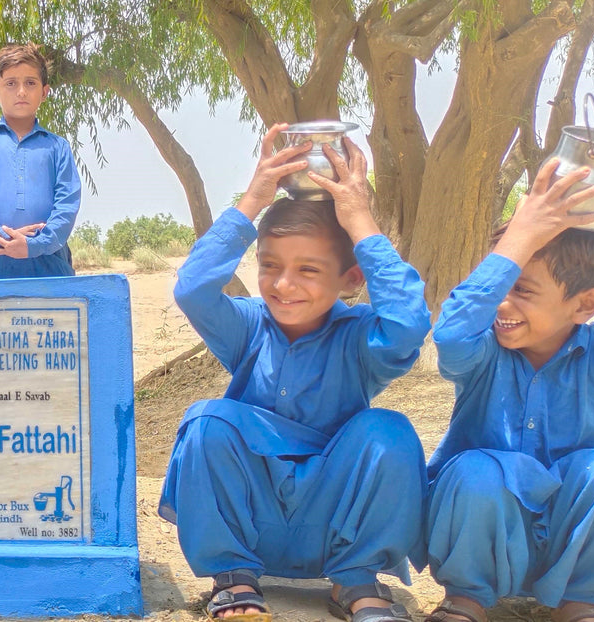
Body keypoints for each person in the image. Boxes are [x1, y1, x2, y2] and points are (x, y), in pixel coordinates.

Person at [158, 124, 431, 622]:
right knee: (206, 421)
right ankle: (235, 580)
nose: (283, 285)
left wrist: (359, 220)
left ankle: (357, 584)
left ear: (350, 280)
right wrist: (254, 198)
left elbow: (410, 325)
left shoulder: (362, 337)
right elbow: (193, 289)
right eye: (269, 266)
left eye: (308, 270)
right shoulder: (246, 327)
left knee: (389, 431)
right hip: (254, 528)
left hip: (332, 528)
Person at [422, 159, 594, 622]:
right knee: (476, 471)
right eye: (498, 284)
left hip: (571, 541)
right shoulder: (481, 349)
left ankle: (581, 604)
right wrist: (520, 236)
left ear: (585, 304)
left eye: (521, 289)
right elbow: (449, 334)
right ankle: (465, 600)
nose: (501, 302)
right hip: (482, 537)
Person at [0, 42, 82, 280]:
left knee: (53, 318)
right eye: (11, 83)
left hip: (51, 268)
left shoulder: (58, 147)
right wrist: (0, 235)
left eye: (30, 83)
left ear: (44, 92)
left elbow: (67, 206)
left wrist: (35, 245)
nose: (21, 91)